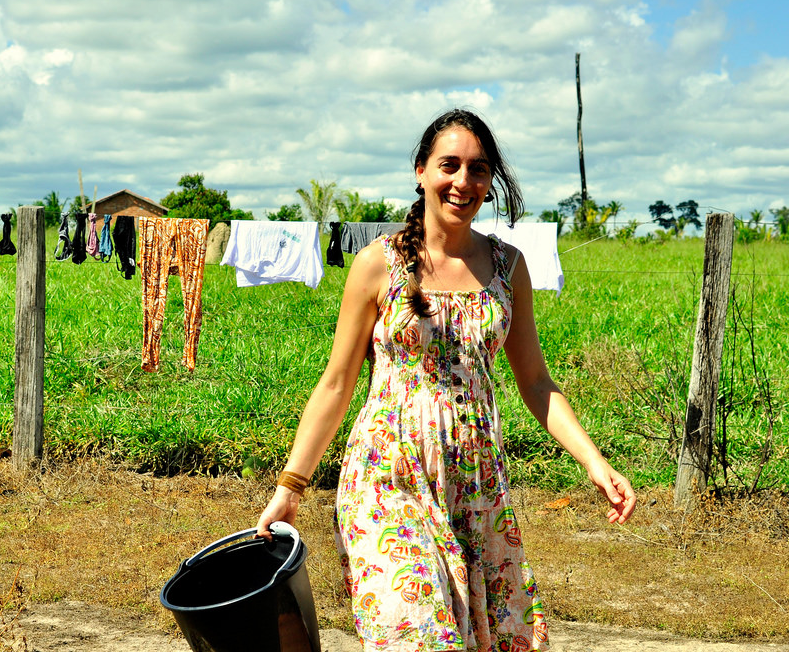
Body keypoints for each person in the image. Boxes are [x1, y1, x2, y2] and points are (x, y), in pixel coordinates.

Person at [255, 109, 636, 651]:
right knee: (419, 635)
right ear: (421, 171)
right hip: (388, 478)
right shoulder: (378, 263)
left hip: (476, 487)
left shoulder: (508, 266)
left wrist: (595, 462)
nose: (463, 181)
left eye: (478, 169)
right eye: (449, 165)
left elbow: (536, 382)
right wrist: (290, 487)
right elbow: (337, 383)